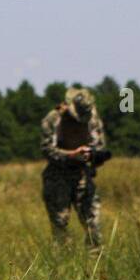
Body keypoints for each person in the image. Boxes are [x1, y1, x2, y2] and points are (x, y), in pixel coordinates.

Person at [39, 87, 107, 250]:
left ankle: (95, 267)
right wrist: (71, 155)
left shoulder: (93, 118)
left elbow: (100, 146)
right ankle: (62, 268)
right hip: (58, 177)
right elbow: (47, 149)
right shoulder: (53, 119)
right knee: (60, 226)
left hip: (83, 175)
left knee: (94, 226)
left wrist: (91, 154)